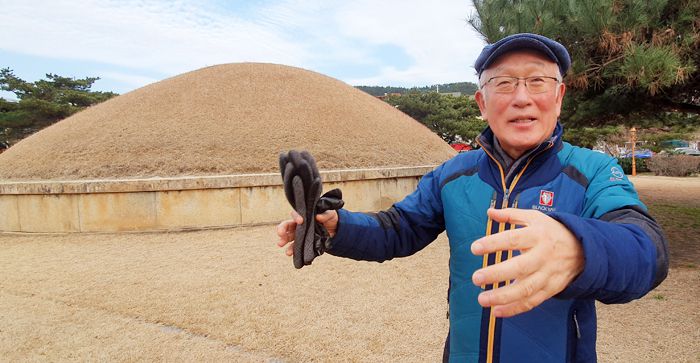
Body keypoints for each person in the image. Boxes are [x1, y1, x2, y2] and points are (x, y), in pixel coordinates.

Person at [276, 33, 668, 363]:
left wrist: (582, 248)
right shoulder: (454, 173)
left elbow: (645, 246)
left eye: (537, 81)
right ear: (482, 103)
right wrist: (337, 227)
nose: (521, 97)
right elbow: (399, 228)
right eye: (503, 83)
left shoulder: (593, 170)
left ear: (559, 95)